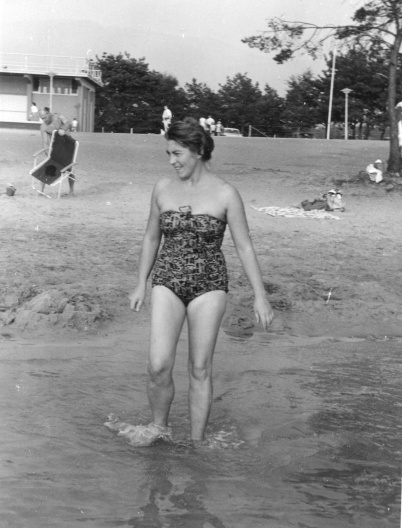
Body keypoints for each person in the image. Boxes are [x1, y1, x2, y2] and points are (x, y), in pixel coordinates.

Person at [116, 118, 274, 447]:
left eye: (177, 154)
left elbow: (244, 247)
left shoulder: (226, 193)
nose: (171, 161)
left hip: (210, 284)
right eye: (168, 154)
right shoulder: (162, 188)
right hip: (167, 280)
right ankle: (159, 428)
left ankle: (197, 444)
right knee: (158, 365)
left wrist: (260, 296)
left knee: (199, 368)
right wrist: (140, 282)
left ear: (198, 150)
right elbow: (151, 237)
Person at [38, 108, 75, 196]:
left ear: (49, 113)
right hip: (56, 148)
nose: (44, 120)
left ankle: (71, 190)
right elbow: (45, 142)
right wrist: (48, 155)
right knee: (46, 166)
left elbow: (68, 123)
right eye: (42, 118)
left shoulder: (59, 117)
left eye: (45, 117)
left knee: (70, 169)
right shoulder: (43, 127)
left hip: (67, 146)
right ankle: (41, 191)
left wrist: (63, 129)